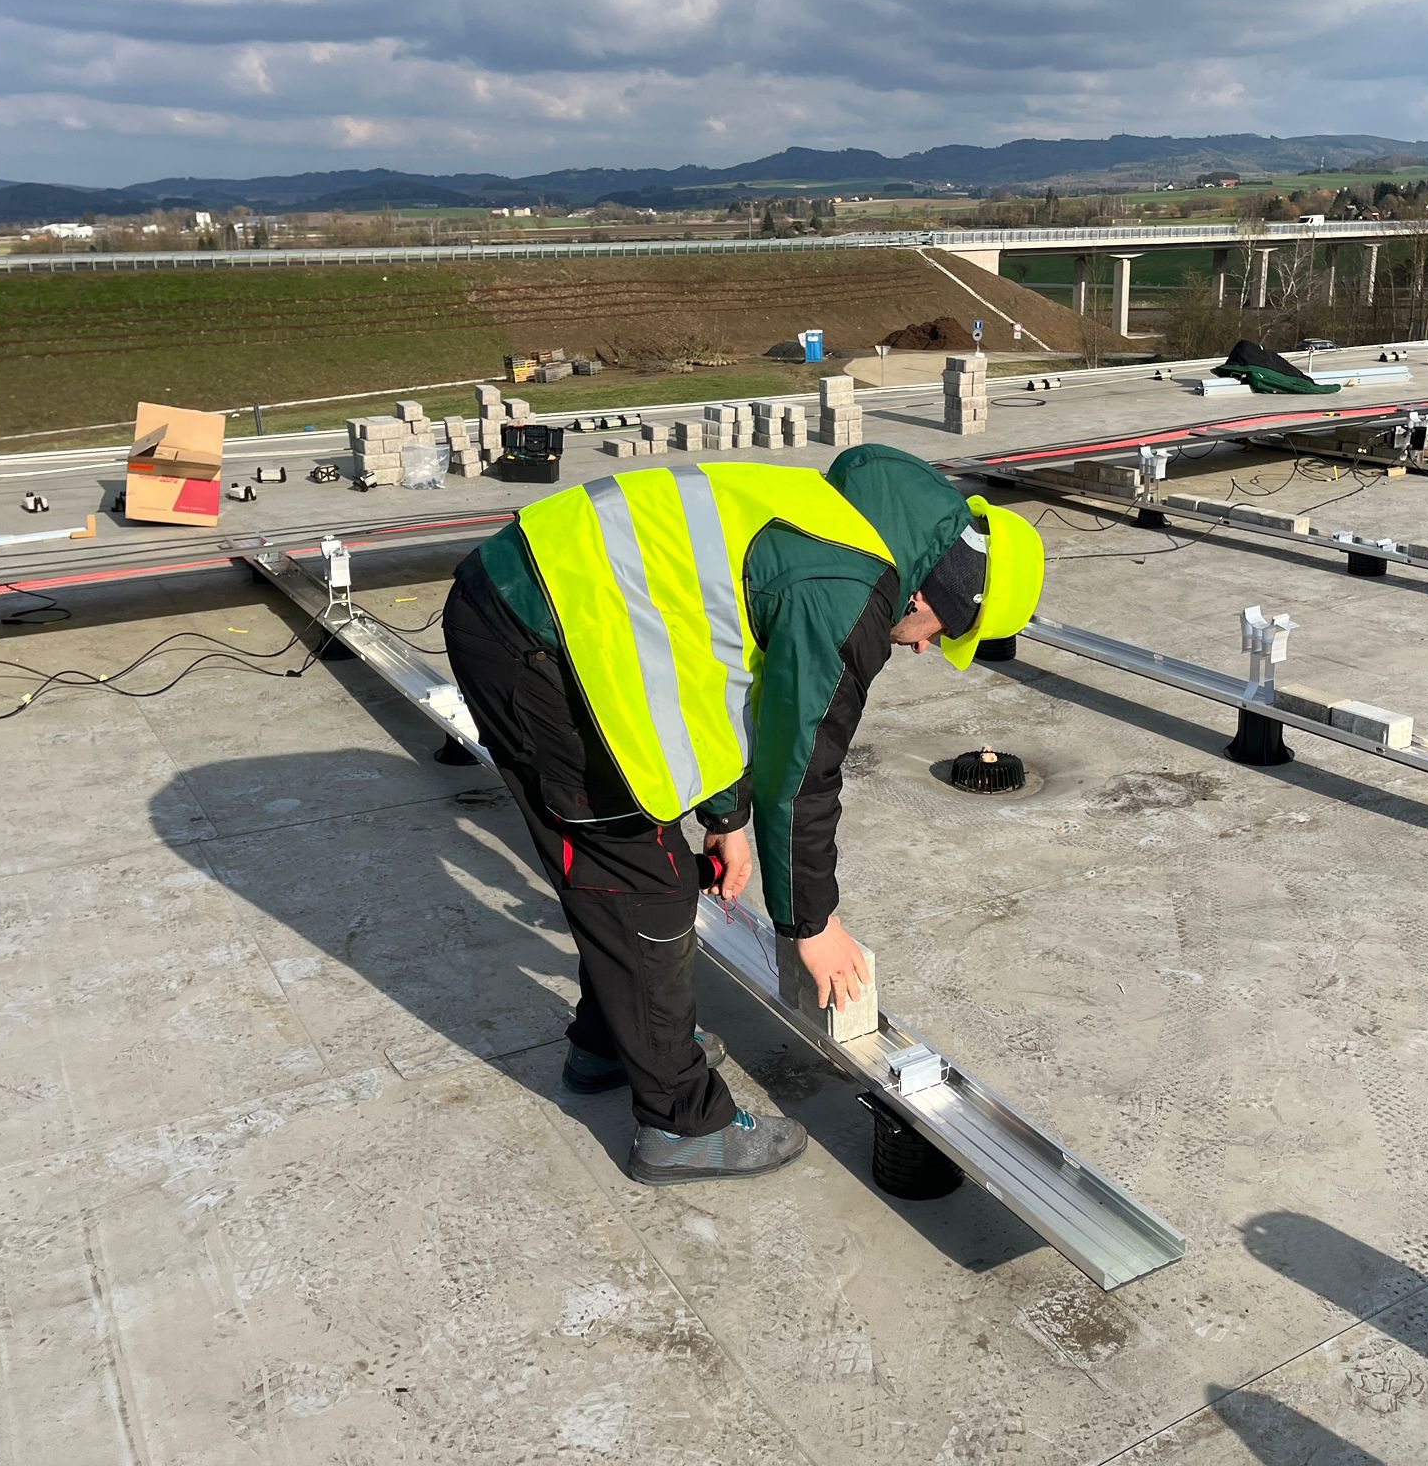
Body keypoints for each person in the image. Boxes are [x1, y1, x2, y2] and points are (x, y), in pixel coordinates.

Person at [441, 443, 1044, 1184]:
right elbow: (805, 769)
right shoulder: (845, 590)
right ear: (931, 598)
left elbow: (731, 687)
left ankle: (616, 1044)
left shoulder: (838, 529)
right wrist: (809, 925)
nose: (926, 651)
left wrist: (724, 819)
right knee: (640, 882)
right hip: (529, 635)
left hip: (558, 619)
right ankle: (681, 1124)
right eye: (944, 636)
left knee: (644, 868)